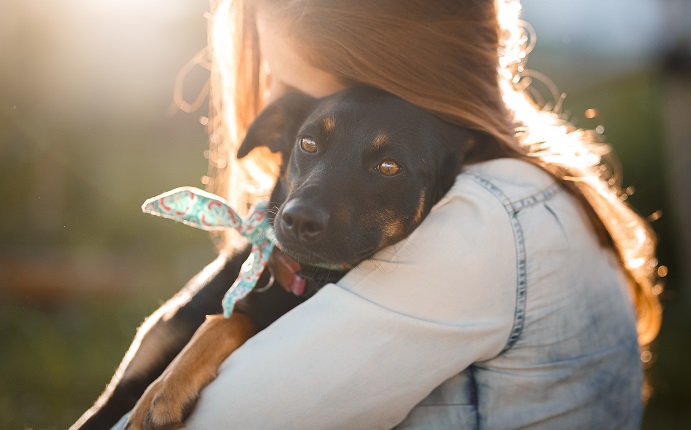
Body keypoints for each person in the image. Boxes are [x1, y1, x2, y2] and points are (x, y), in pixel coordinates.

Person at [114, 0, 663, 428]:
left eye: (301, 87)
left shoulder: (474, 230)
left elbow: (219, 421)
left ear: (387, 73)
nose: (279, 105)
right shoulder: (523, 187)